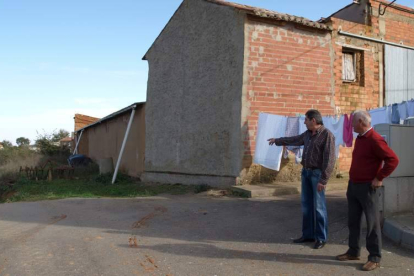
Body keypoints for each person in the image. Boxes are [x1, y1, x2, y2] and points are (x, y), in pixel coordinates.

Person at [336, 110, 399, 271]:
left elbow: (393, 160)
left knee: (372, 224)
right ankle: (353, 251)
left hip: (368, 188)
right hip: (354, 186)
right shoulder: (361, 138)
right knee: (353, 221)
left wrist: (379, 177)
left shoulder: (375, 139)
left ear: (361, 123)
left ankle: (375, 257)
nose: (351, 126)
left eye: (353, 123)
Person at [268, 109, 335, 249]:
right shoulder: (307, 134)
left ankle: (321, 238)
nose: (304, 122)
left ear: (313, 121)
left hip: (317, 175)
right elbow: (295, 139)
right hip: (306, 173)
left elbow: (329, 160)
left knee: (319, 207)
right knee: (306, 206)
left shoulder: (327, 135)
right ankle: (308, 235)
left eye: (306, 119)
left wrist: (323, 180)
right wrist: (277, 141)